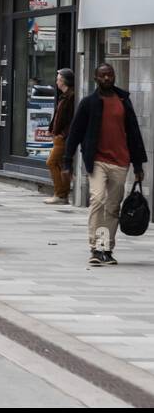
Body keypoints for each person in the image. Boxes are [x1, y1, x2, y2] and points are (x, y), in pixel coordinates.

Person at [62, 64, 148, 265]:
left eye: (110, 75)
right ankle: (95, 247)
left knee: (112, 207)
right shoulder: (88, 103)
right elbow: (74, 133)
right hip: (98, 160)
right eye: (103, 75)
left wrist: (138, 165)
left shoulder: (123, 101)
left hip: (120, 162)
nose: (107, 78)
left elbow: (134, 134)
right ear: (96, 78)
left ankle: (106, 248)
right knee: (98, 199)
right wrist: (67, 162)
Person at [44, 68, 76, 205]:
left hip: (63, 137)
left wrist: (62, 134)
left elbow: (71, 119)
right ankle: (62, 194)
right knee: (60, 164)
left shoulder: (71, 97)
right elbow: (58, 116)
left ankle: (60, 194)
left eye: (58, 79)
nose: (56, 81)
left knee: (51, 162)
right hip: (59, 136)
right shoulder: (64, 96)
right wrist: (51, 129)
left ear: (63, 81)